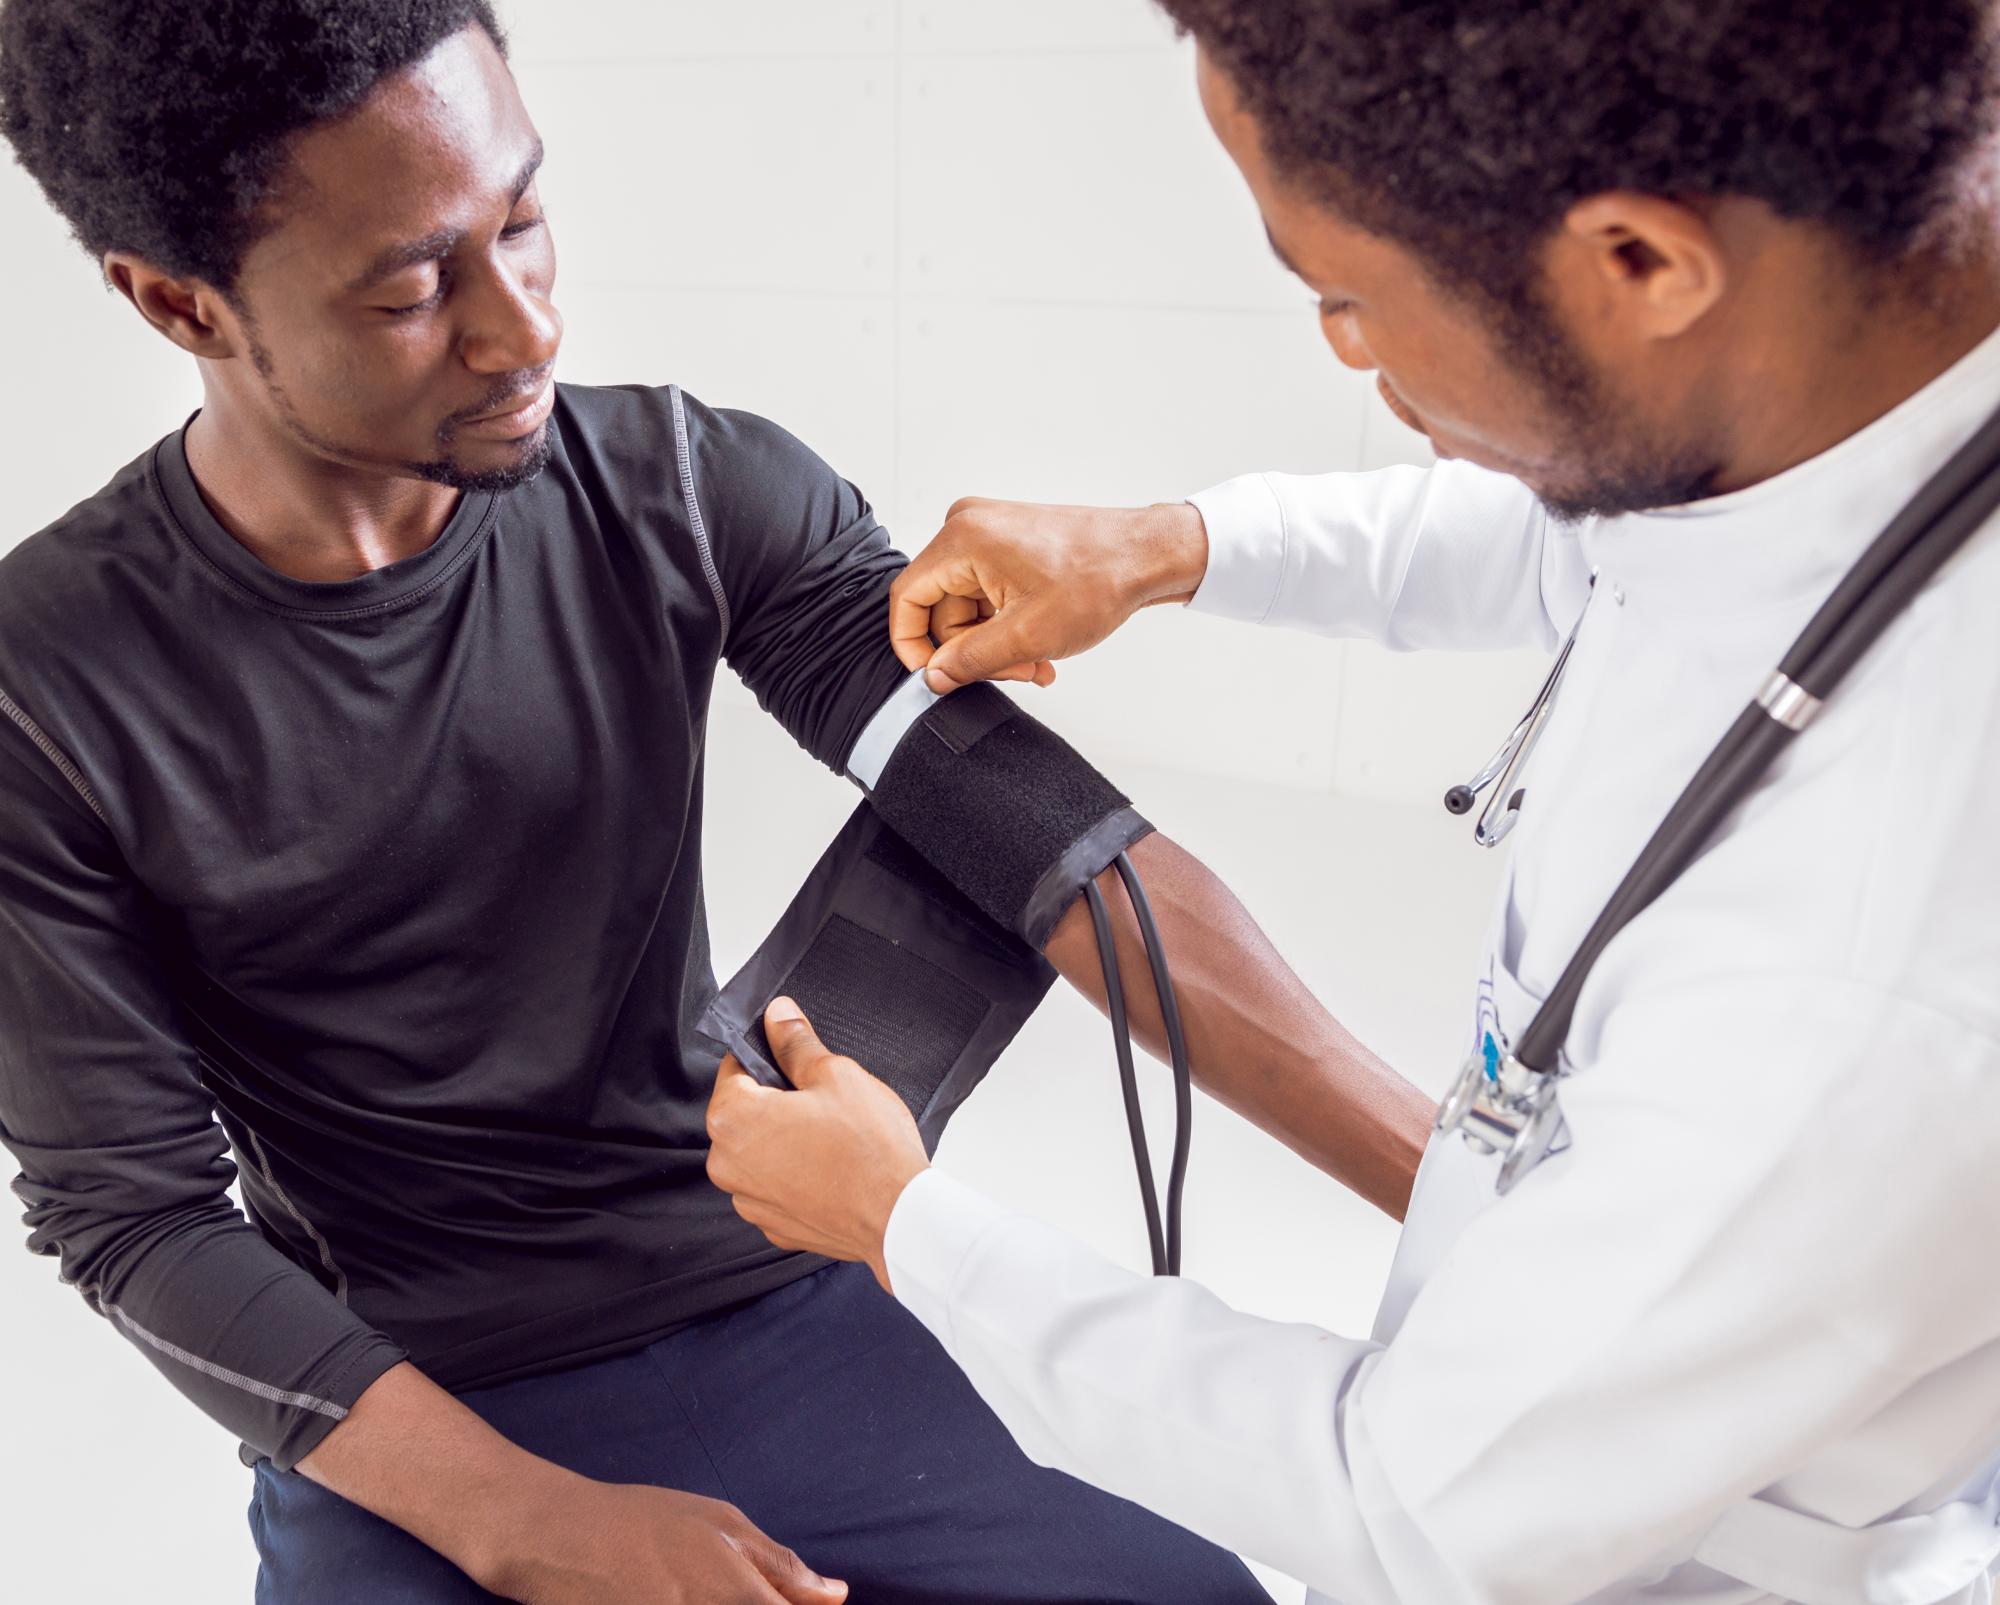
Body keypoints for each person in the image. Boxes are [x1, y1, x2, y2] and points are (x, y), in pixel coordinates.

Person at [0, 3, 1436, 1601]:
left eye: (525, 221)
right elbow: (130, 1216)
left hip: (780, 1264)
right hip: (417, 1398)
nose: (521, 326)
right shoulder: (41, 693)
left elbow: (1060, 859)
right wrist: (537, 1526)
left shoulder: (687, 488)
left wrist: (1458, 1198)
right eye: (414, 287)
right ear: (175, 301)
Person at [704, 3, 2000, 1602]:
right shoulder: (1846, 380)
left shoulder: (1883, 959)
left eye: (1345, 293)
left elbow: (1409, 1508)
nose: (1339, 348)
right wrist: (1174, 545)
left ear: (1644, 265)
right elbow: (1596, 532)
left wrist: (908, 1223)